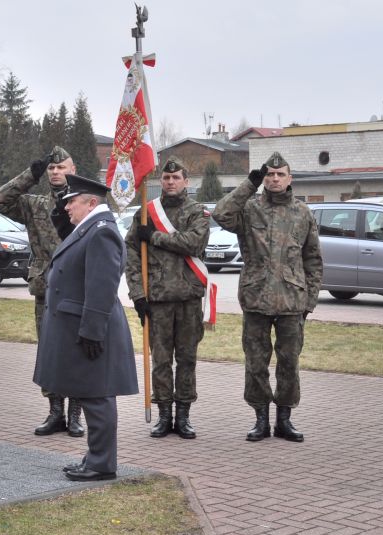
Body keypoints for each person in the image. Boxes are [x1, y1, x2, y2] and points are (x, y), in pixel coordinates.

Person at [33, 174, 138, 481]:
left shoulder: (101, 233)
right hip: (81, 324)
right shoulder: (90, 228)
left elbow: (102, 287)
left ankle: (102, 464)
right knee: (93, 395)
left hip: (92, 327)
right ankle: (95, 457)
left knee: (98, 396)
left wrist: (92, 330)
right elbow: (63, 231)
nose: (68, 208)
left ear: (91, 203)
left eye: (72, 202)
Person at [212, 152, 322, 442]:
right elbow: (220, 213)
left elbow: (313, 260)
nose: (274, 179)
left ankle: (284, 419)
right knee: (256, 362)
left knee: (289, 363)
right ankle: (260, 419)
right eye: (269, 175)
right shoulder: (249, 209)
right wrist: (250, 183)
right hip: (256, 297)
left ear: (290, 179)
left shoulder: (303, 213)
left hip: (291, 301)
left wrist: (309, 301)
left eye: (280, 174)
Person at [0, 146, 85, 438]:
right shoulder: (34, 204)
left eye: (61, 167)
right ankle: (55, 411)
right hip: (46, 285)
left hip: (77, 285)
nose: (56, 172)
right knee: (49, 350)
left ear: (73, 170)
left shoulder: (85, 203)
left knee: (78, 350)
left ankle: (75, 415)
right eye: (51, 169)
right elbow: (0, 200)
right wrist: (29, 176)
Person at [125, 157, 210, 439]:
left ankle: (183, 416)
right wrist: (138, 295)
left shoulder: (196, 211)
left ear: (187, 181)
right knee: (160, 360)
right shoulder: (146, 212)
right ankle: (164, 415)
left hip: (188, 299)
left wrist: (157, 237)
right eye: (166, 178)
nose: (170, 182)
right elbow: (132, 256)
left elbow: (194, 243)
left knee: (187, 359)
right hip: (157, 299)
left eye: (176, 178)